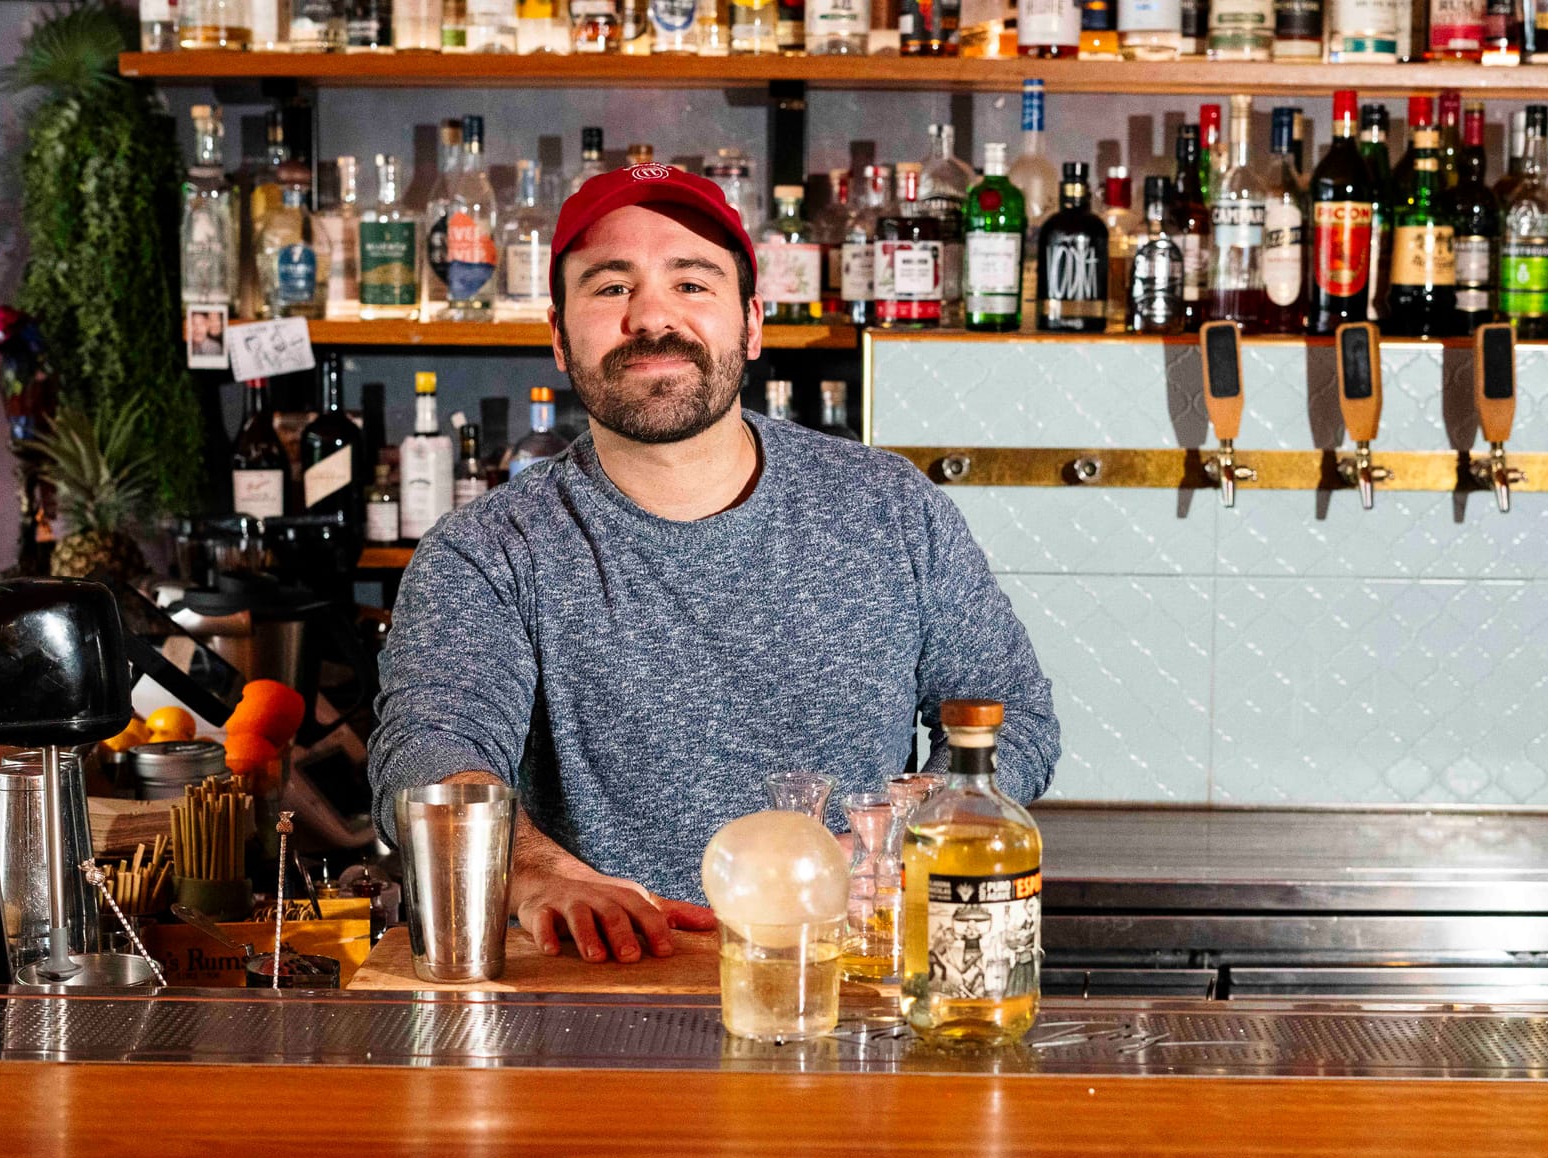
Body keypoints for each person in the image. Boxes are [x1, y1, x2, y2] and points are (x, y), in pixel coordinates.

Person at [369, 163, 1060, 965]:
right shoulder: (487, 552)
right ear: (558, 338)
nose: (651, 316)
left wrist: (903, 830)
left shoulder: (889, 510)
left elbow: (1014, 718)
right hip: (594, 1005)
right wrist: (538, 875)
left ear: (753, 325)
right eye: (608, 286)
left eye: (693, 284)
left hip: (838, 990)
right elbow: (426, 752)